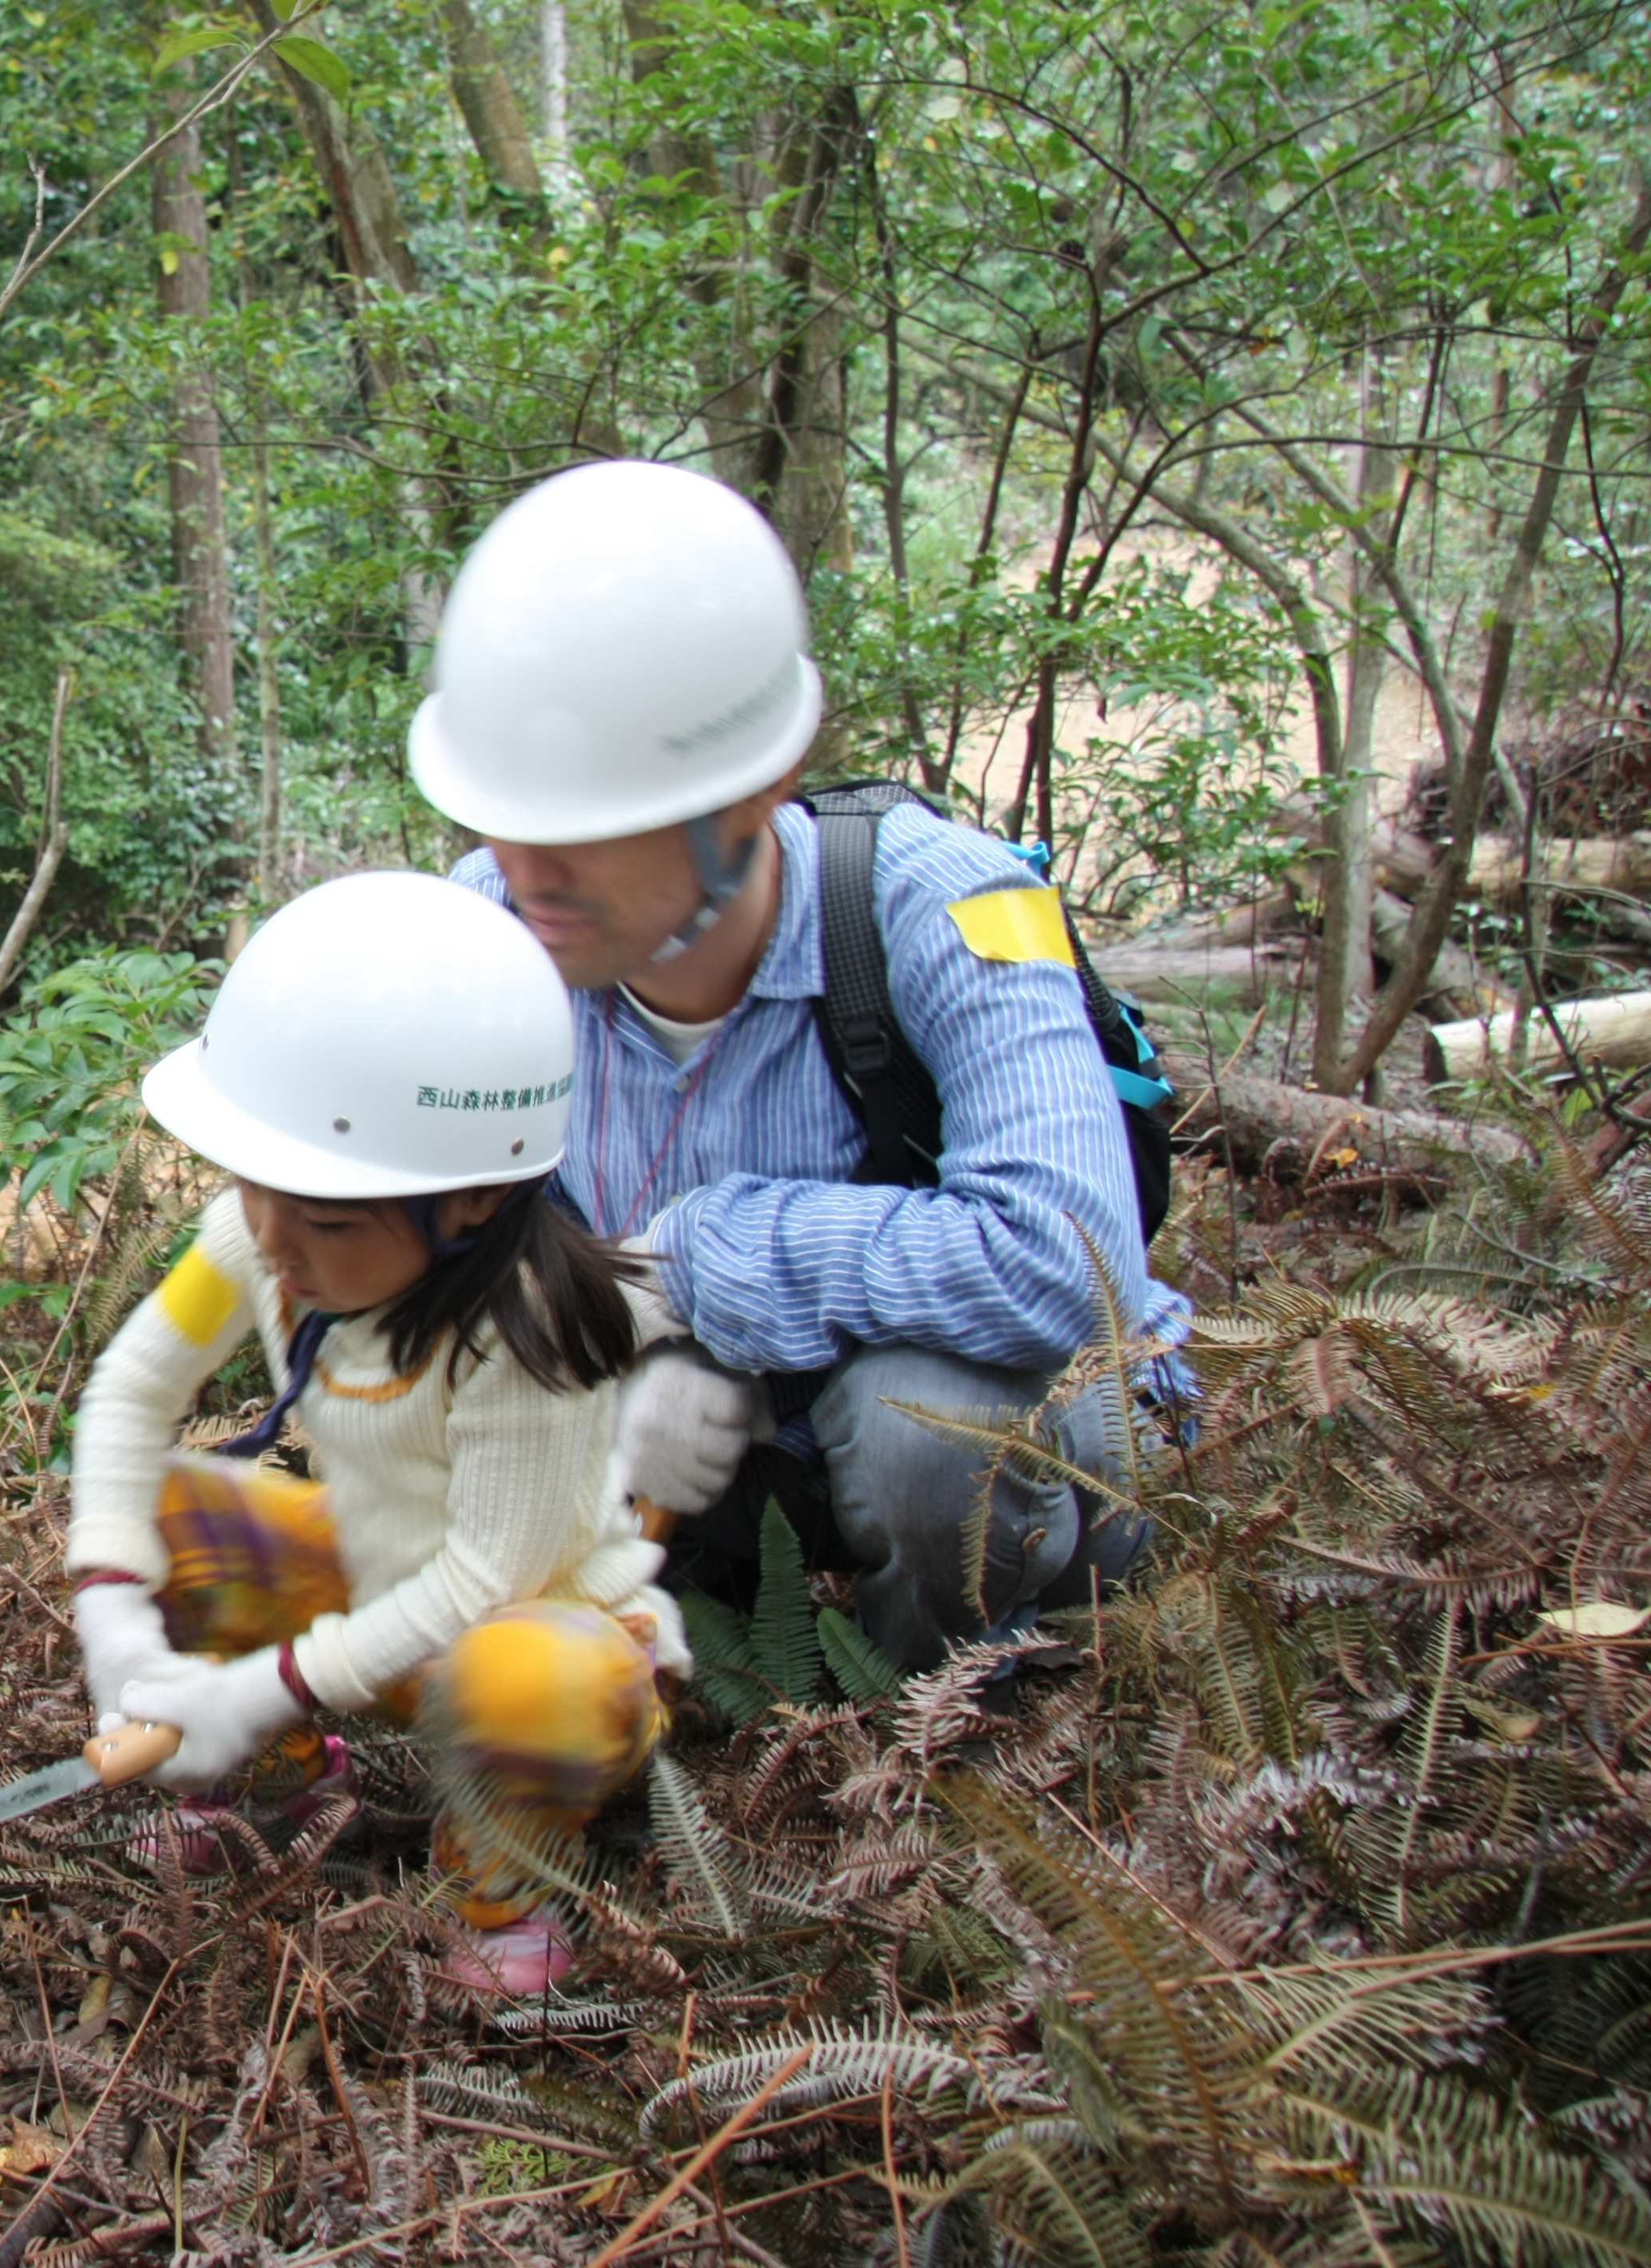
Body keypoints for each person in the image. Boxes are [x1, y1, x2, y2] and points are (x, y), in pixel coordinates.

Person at [411, 459, 1176, 1671]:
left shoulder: (944, 911)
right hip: (713, 1456)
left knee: (928, 1422)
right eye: (507, 812)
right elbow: (430, 1249)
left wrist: (700, 1268)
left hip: (1020, 1443)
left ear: (759, 789)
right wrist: (616, 1359)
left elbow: (1076, 1272)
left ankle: (950, 1740)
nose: (533, 870)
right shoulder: (492, 932)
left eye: (596, 822)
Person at [65, 870, 680, 1995]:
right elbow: (131, 1391)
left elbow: (486, 1579)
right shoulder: (260, 1238)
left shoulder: (531, 1336)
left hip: (532, 1635)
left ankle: (504, 1880)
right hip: (362, 1585)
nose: (275, 1242)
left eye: (329, 1217)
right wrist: (113, 1615)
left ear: (475, 1200)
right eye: (253, 1188)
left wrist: (254, 1688)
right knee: (166, 1505)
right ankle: (277, 1788)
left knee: (525, 1670)